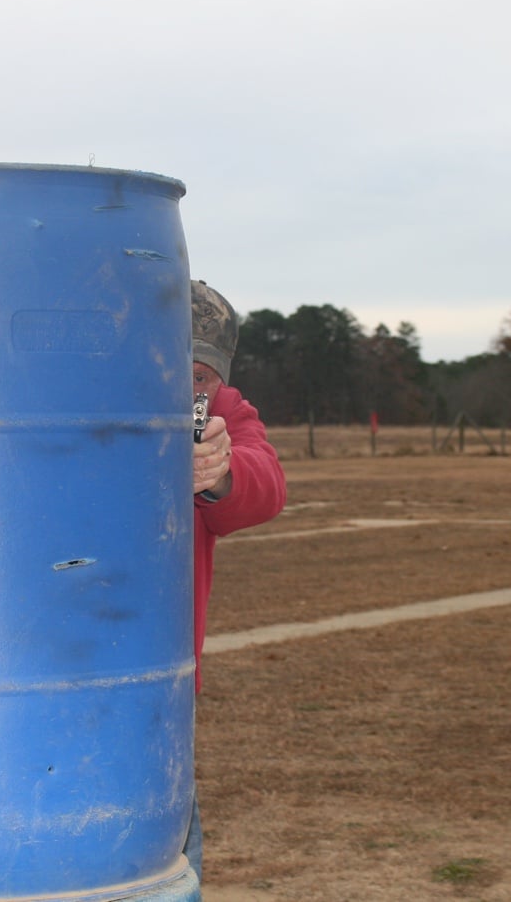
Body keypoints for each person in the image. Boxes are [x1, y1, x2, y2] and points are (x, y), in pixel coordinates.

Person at [184, 279, 287, 881]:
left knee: (164, 844)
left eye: (202, 378)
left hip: (163, 676)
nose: (188, 388)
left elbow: (265, 482)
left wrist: (219, 473)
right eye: (174, 368)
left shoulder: (222, 412)